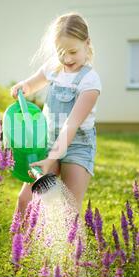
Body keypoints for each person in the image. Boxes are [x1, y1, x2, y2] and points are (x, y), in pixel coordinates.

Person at [10, 12, 102, 216]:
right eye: (61, 52)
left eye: (73, 51)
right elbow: (32, 83)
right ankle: (18, 247)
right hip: (49, 140)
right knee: (25, 200)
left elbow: (71, 125)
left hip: (78, 145)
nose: (67, 58)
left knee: (69, 210)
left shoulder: (90, 82)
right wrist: (23, 87)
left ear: (87, 43)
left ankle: (73, 248)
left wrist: (51, 159)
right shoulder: (53, 68)